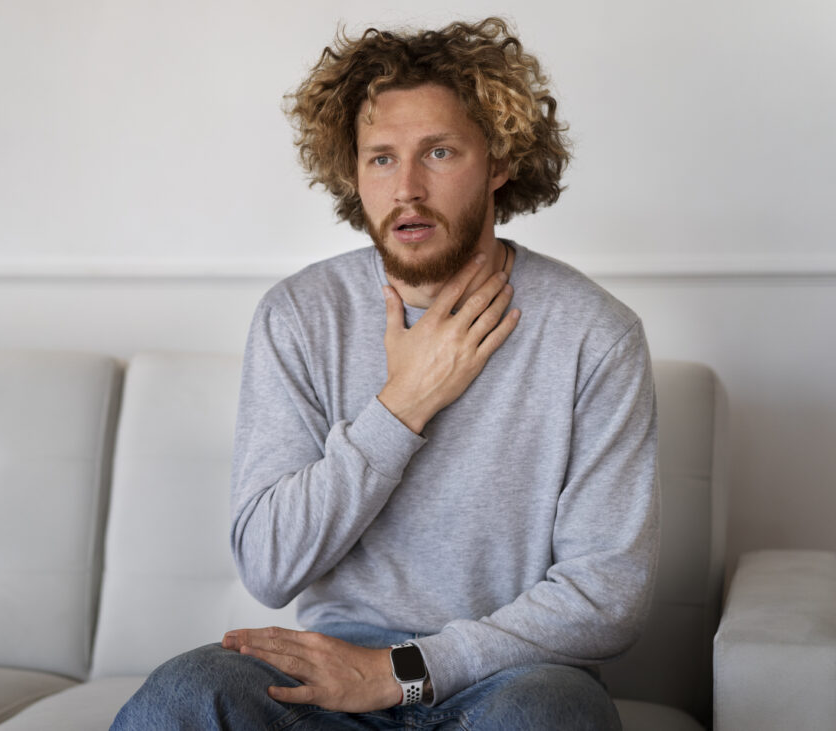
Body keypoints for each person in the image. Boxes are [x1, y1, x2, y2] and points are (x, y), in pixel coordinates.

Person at [112, 16, 659, 730]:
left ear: (498, 162)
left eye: (439, 152)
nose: (407, 187)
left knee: (548, 715)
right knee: (184, 693)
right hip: (331, 672)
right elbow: (270, 567)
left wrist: (400, 672)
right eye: (380, 159)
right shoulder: (300, 315)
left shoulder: (595, 334)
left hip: (509, 676)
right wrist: (403, 404)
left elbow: (607, 597)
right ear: (354, 173)